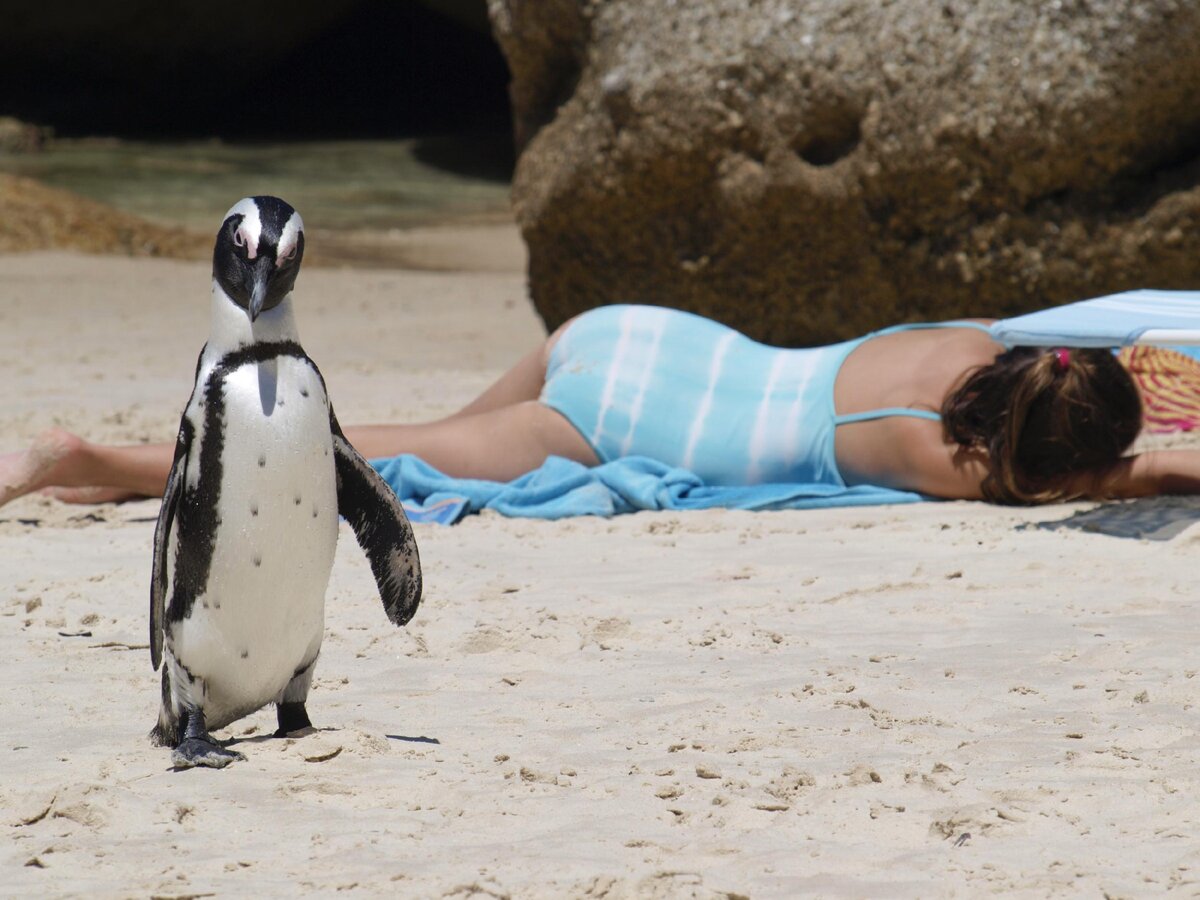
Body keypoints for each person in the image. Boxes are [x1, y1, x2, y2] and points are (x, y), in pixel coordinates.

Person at [2, 304, 1198, 511]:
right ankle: (87, 458)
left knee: (394, 435)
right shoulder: (955, 467)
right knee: (347, 459)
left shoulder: (976, 347)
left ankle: (107, 455)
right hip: (613, 429)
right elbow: (1108, 479)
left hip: (633, 335)